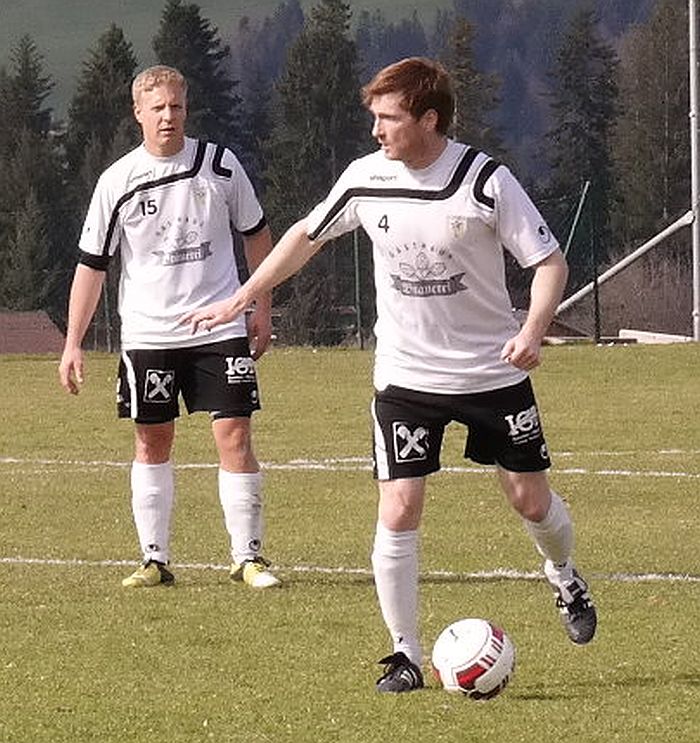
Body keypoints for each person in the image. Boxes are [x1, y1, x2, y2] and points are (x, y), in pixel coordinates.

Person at [181, 57, 596, 690]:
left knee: (530, 500)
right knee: (399, 507)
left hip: (492, 372)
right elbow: (305, 236)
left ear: (429, 119)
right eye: (373, 117)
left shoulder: (485, 181)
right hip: (406, 377)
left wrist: (533, 331)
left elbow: (549, 263)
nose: (376, 130)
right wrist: (244, 294)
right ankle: (405, 654)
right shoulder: (365, 177)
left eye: (389, 118)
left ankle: (564, 577)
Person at [59, 65, 280, 590]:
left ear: (187, 109)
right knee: (152, 441)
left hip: (219, 327)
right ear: (138, 112)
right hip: (149, 334)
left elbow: (257, 234)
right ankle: (154, 560)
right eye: (157, 108)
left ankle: (248, 558)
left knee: (235, 434)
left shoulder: (219, 166)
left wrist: (260, 307)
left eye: (176, 106)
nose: (168, 116)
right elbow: (92, 266)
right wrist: (73, 342)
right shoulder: (117, 181)